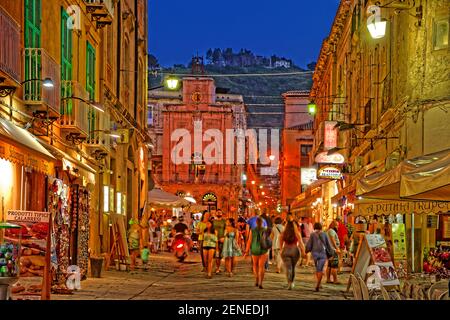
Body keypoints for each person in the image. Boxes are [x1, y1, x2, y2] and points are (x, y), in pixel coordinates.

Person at [306, 222, 334, 291]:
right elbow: (328, 244)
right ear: (321, 227)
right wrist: (331, 253)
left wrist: (307, 250)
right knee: (320, 269)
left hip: (314, 254)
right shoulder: (325, 234)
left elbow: (309, 244)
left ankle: (319, 283)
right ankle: (318, 284)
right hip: (322, 254)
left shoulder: (312, 235)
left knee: (317, 268)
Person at [280, 215, 306, 289]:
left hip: (286, 250)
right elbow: (301, 243)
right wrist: (303, 252)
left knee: (288, 268)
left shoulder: (283, 233)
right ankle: (292, 282)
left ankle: (289, 283)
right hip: (295, 250)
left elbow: (280, 244)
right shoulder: (297, 233)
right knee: (293, 267)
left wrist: (281, 251)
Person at [244, 216, 268, 289]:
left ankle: (257, 279)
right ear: (262, 223)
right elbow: (269, 240)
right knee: (262, 266)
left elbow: (249, 241)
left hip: (254, 249)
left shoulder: (252, 230)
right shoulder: (265, 230)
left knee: (255, 265)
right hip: (263, 249)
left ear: (256, 223)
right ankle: (261, 282)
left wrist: (246, 251)